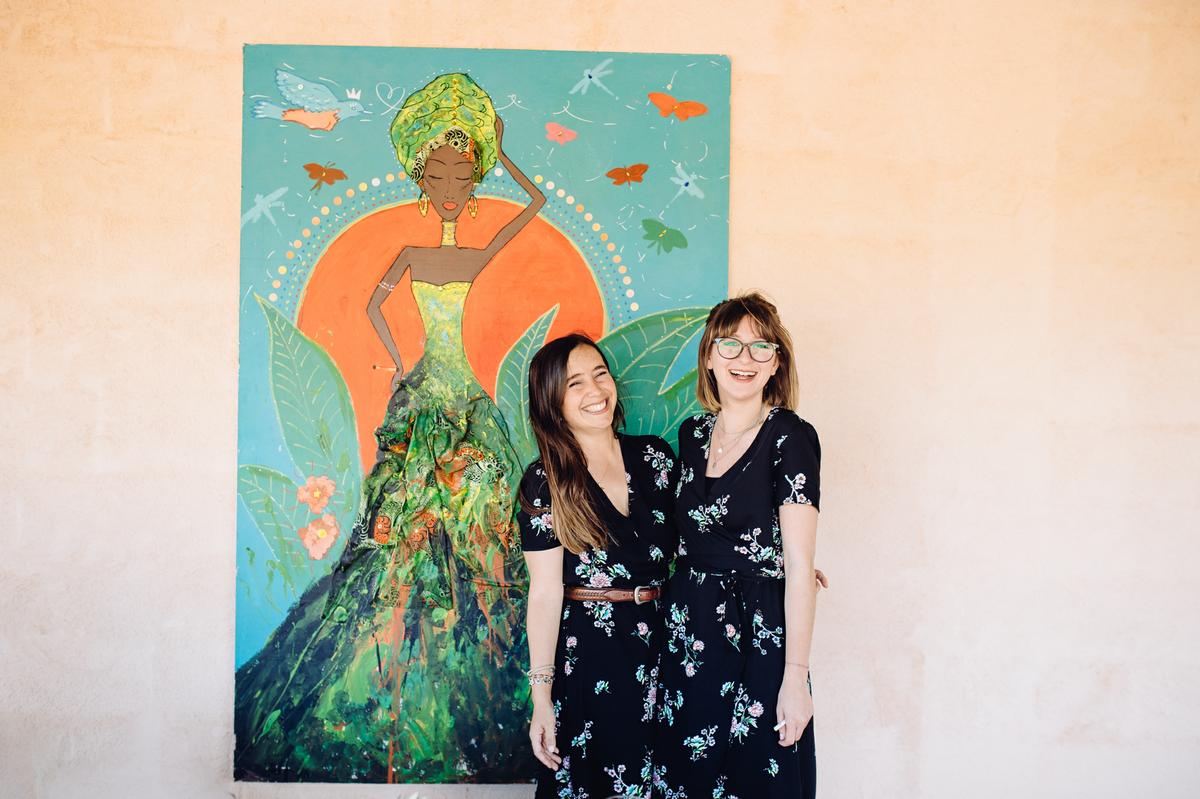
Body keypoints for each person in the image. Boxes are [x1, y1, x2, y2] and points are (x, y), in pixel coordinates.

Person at [234, 72, 544, 782]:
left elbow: (535, 204)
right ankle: (396, 679)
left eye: (463, 175)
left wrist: (503, 148)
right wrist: (402, 362)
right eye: (440, 175)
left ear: (473, 181)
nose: (452, 187)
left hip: (465, 402)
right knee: (399, 542)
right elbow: (376, 307)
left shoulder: (471, 255)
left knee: (484, 535)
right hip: (424, 397)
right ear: (422, 181)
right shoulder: (415, 256)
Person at [651, 292, 823, 798]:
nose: (744, 358)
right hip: (690, 636)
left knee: (757, 776)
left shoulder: (790, 436)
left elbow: (799, 565)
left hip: (759, 637)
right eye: (729, 344)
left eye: (760, 347)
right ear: (709, 356)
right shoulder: (692, 435)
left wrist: (795, 678)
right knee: (688, 778)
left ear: (776, 363)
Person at [517, 334, 679, 799]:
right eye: (575, 384)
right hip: (591, 658)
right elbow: (544, 594)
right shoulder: (545, 482)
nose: (595, 391)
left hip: (667, 645)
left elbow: (699, 541)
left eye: (600, 374)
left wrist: (769, 568)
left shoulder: (655, 459)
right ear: (552, 403)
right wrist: (541, 697)